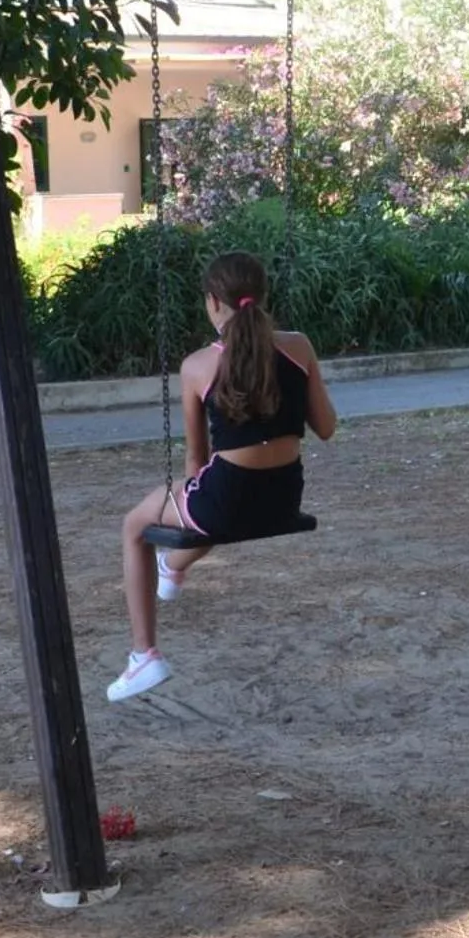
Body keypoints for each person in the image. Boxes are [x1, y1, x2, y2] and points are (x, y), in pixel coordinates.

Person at [109, 252, 337, 701]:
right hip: (285, 496)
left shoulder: (198, 366)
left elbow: (197, 461)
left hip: (226, 497)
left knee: (137, 524)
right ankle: (172, 569)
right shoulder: (299, 347)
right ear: (262, 294)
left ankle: (143, 657)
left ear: (214, 302)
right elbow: (326, 428)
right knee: (210, 505)